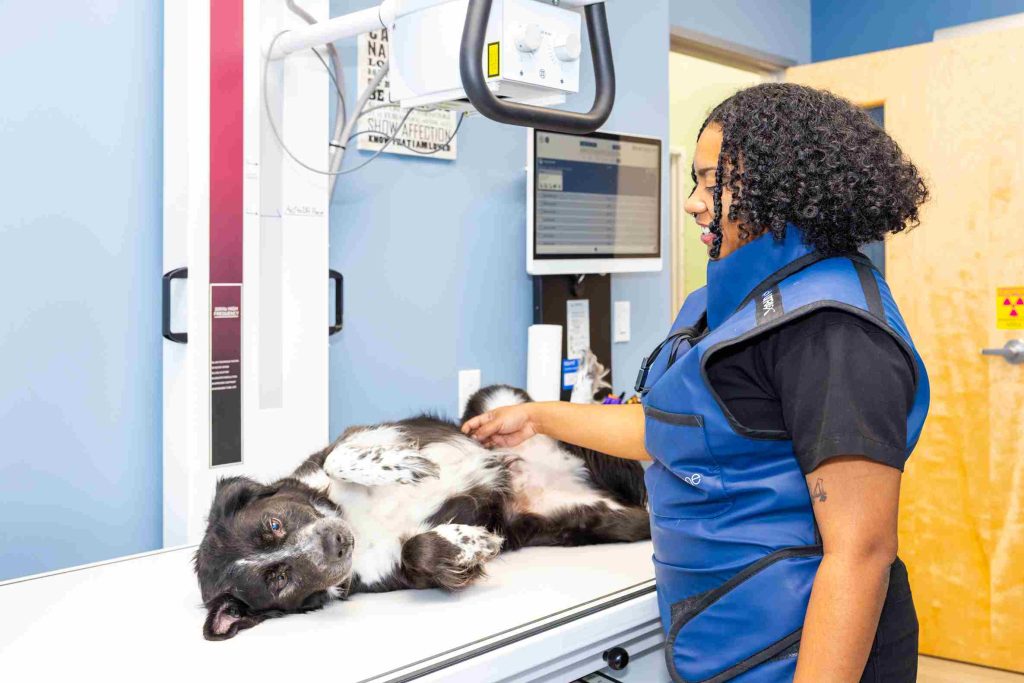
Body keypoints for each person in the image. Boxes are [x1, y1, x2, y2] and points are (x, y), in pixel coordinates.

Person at [463, 83, 930, 682]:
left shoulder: (833, 333)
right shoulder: (739, 303)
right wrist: (538, 417)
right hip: (736, 622)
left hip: (806, 646)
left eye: (713, 183)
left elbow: (860, 553)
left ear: (782, 189)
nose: (693, 203)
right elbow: (673, 429)